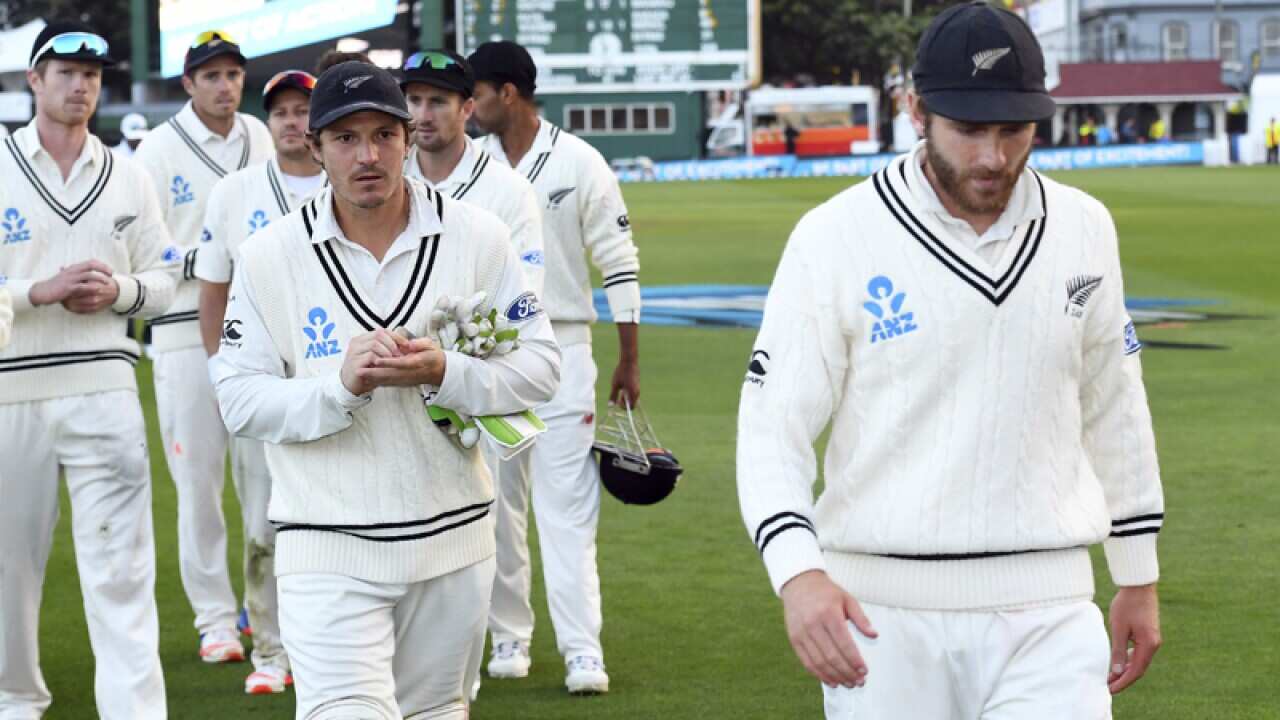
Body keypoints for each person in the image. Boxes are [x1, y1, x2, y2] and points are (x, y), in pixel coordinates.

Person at [737, 3, 1164, 719]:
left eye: (1014, 129)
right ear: (916, 111)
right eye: (969, 130)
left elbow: (1114, 401)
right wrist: (798, 573)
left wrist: (1138, 572)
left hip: (1051, 609)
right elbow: (771, 425)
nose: (994, 157)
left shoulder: (1085, 227)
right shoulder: (834, 236)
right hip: (882, 617)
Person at [209, 61, 560, 720]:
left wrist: (446, 372)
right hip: (324, 543)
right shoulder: (268, 255)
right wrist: (338, 389)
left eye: (382, 135)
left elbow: (541, 368)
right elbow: (238, 399)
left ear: (406, 138)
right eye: (345, 138)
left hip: (453, 543)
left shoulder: (478, 235)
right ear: (315, 148)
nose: (367, 156)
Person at [0, 21, 179, 719]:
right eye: (66, 72)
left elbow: (165, 281)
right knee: (10, 566)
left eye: (93, 75)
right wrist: (36, 292)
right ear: (34, 79)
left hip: (106, 386)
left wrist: (120, 292)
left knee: (122, 568)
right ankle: (15, 698)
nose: (81, 86)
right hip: (12, 389)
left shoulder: (129, 175)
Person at [467, 40, 642, 695]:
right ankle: (509, 635)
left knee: (566, 508)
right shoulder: (473, 167)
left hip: (566, 349)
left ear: (507, 93)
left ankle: (582, 651)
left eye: (475, 95)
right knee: (498, 504)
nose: (468, 108)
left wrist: (628, 358)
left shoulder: (579, 161)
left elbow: (619, 260)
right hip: (494, 357)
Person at [132, 29, 273, 664]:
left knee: (265, 480)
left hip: (258, 326)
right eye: (211, 76)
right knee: (198, 483)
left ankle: (262, 609)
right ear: (188, 83)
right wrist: (211, 259)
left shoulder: (260, 136)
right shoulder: (158, 149)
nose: (225, 86)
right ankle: (214, 620)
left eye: (233, 75)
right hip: (183, 326)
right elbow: (145, 246)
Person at [193, 68, 325, 696]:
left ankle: (327, 647)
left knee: (339, 524)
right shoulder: (236, 191)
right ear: (267, 122)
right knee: (263, 525)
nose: (293, 122)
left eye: (304, 110)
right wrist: (223, 375)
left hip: (339, 384)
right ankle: (271, 650)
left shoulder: (350, 182)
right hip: (263, 388)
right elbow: (212, 291)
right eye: (281, 113)